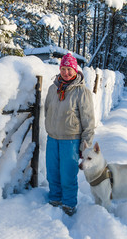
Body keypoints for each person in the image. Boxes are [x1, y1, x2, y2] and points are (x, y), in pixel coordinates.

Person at [44, 53, 95, 216]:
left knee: (67, 175)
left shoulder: (82, 92)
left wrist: (85, 145)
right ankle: (55, 199)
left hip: (71, 140)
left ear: (75, 70)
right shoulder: (53, 88)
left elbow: (88, 121)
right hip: (52, 138)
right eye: (63, 69)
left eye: (69, 69)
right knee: (52, 172)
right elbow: (47, 110)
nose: (66, 73)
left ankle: (68, 204)